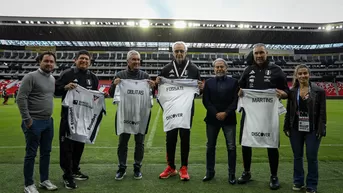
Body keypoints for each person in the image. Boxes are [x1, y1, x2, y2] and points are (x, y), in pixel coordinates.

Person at [237, 43, 289, 190]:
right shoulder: (248, 70)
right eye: (256, 54)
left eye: (261, 53)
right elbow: (240, 87)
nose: (259, 56)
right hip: (250, 114)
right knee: (246, 142)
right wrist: (240, 92)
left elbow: (286, 90)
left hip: (268, 114)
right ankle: (246, 172)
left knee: (271, 144)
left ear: (267, 53)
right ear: (253, 55)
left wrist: (284, 94)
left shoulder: (276, 70)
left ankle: (274, 176)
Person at [155, 41, 203, 181]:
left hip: (187, 109)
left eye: (181, 51)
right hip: (171, 110)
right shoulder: (166, 69)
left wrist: (200, 87)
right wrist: (158, 82)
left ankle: (184, 167)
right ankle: (171, 167)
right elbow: (159, 90)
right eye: (177, 51)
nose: (179, 53)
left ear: (186, 52)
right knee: (170, 139)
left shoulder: (193, 69)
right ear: (173, 52)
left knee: (185, 138)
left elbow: (198, 91)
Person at [55, 50, 99, 189]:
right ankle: (67, 175)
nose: (84, 61)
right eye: (81, 58)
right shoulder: (67, 74)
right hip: (68, 118)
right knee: (66, 147)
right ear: (75, 60)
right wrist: (65, 87)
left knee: (79, 146)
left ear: (90, 62)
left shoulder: (93, 77)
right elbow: (55, 90)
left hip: (84, 120)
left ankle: (74, 170)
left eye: (87, 59)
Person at [108, 50, 155, 180]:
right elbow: (112, 94)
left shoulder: (145, 76)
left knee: (139, 143)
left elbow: (151, 96)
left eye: (138, 60)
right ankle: (121, 167)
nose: (136, 62)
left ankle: (137, 167)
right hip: (125, 114)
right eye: (134, 59)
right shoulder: (120, 75)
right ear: (128, 61)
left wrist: (152, 87)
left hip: (141, 114)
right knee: (123, 142)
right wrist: (114, 84)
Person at [16, 51, 58, 193]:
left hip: (48, 121)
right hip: (34, 121)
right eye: (46, 61)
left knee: (46, 152)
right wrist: (27, 120)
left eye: (51, 61)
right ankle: (28, 184)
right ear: (39, 61)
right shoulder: (30, 77)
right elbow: (21, 98)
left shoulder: (52, 79)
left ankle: (44, 180)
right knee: (31, 154)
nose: (49, 64)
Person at [283, 64, 326, 193]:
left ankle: (312, 185)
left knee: (312, 157)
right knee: (297, 156)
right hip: (296, 128)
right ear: (296, 76)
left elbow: (322, 112)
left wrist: (321, 128)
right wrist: (286, 126)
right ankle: (298, 181)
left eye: (305, 73)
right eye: (300, 74)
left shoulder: (319, 91)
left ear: (309, 74)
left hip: (312, 129)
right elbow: (289, 110)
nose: (303, 76)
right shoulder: (292, 91)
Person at [202, 58, 239, 184]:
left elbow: (236, 100)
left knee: (231, 147)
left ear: (226, 68)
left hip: (229, 119)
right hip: (212, 119)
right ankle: (209, 172)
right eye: (217, 67)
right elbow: (206, 101)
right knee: (210, 147)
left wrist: (226, 113)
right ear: (214, 69)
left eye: (221, 67)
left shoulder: (234, 82)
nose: (219, 69)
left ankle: (231, 174)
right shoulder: (208, 82)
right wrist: (216, 113)